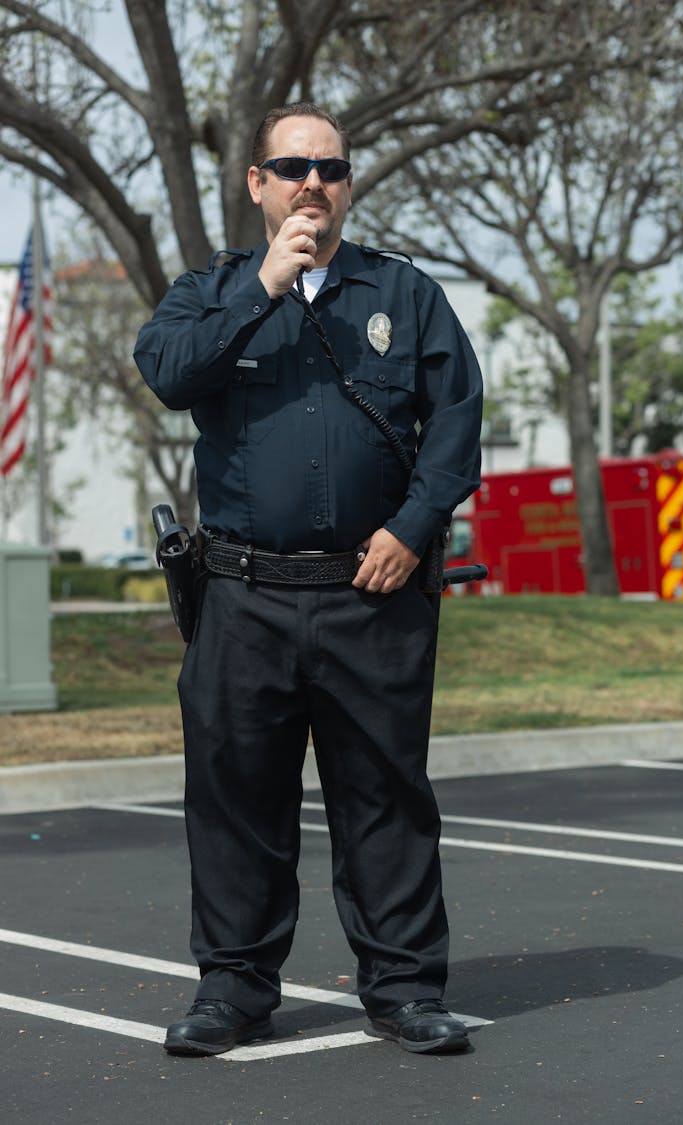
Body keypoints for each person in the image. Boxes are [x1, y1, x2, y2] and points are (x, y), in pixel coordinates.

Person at [134, 102, 483, 1057]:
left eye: (330, 168)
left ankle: (405, 986)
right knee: (237, 798)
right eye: (292, 168)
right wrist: (263, 286)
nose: (313, 184)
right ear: (258, 184)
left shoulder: (402, 295)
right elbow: (165, 373)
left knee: (385, 799)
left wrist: (415, 528)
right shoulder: (207, 295)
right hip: (243, 594)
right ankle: (235, 988)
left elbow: (456, 420)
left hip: (372, 592)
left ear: (349, 182)